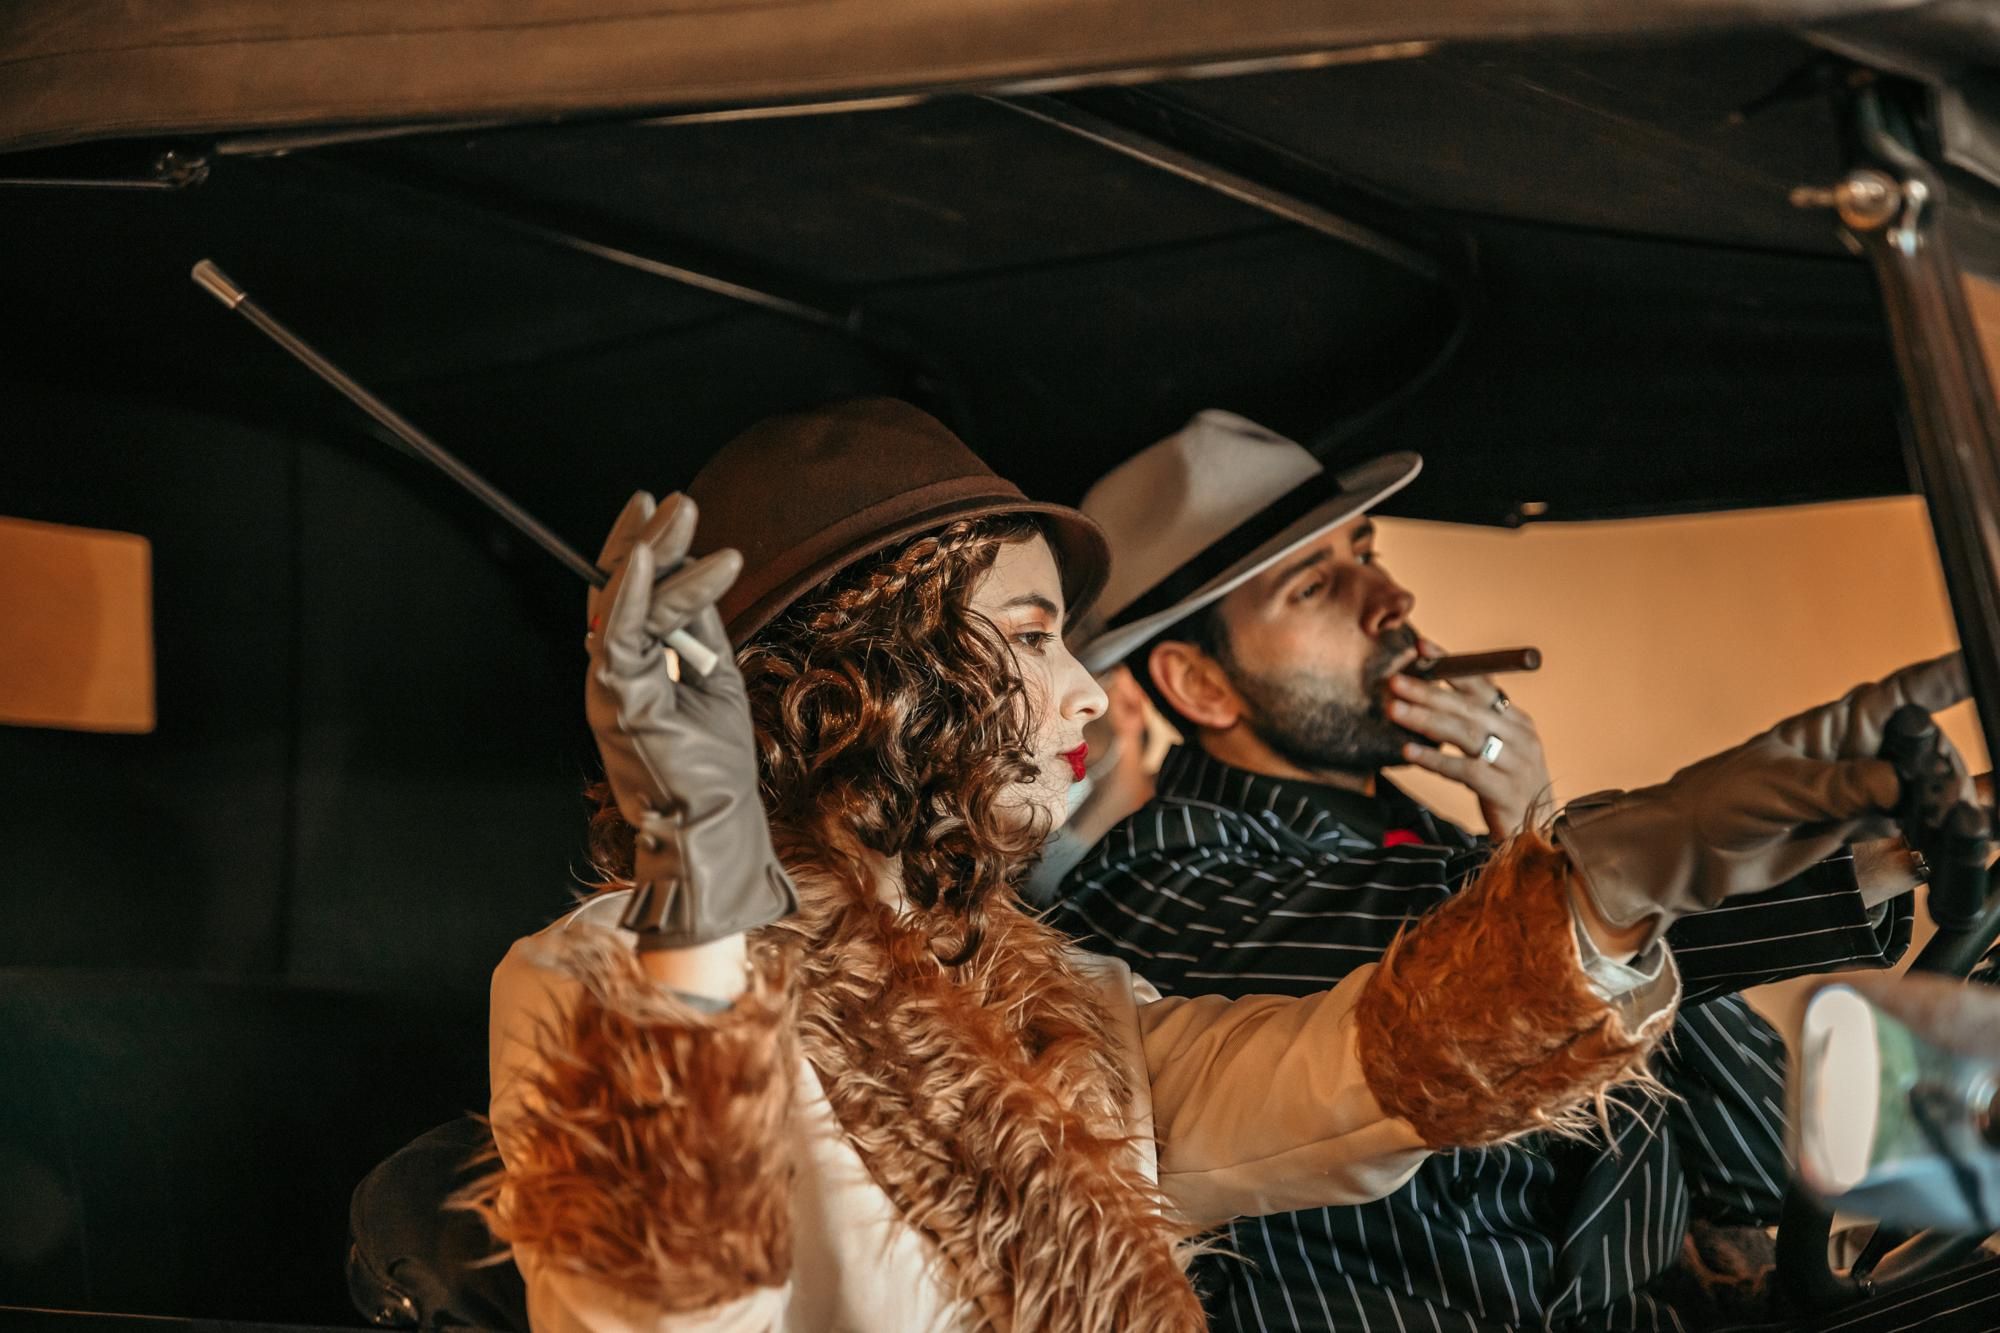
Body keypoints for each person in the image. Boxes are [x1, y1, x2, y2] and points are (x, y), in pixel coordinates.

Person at [465, 398, 1944, 1332]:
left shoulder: (1063, 998)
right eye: (1035, 639)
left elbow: (1353, 1071)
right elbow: (664, 1318)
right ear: (878, 676)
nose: (1079, 696)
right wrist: (700, 924)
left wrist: (1624, 866)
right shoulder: (604, 978)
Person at [1055, 408, 1985, 1331]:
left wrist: (1552, 842)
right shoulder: (1160, 889)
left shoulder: (1426, 837)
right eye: (1312, 586)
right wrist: (1852, 859)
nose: (1388, 600)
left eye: (1365, 548)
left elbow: (1749, 1165)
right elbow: (1479, 956)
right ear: (1198, 683)